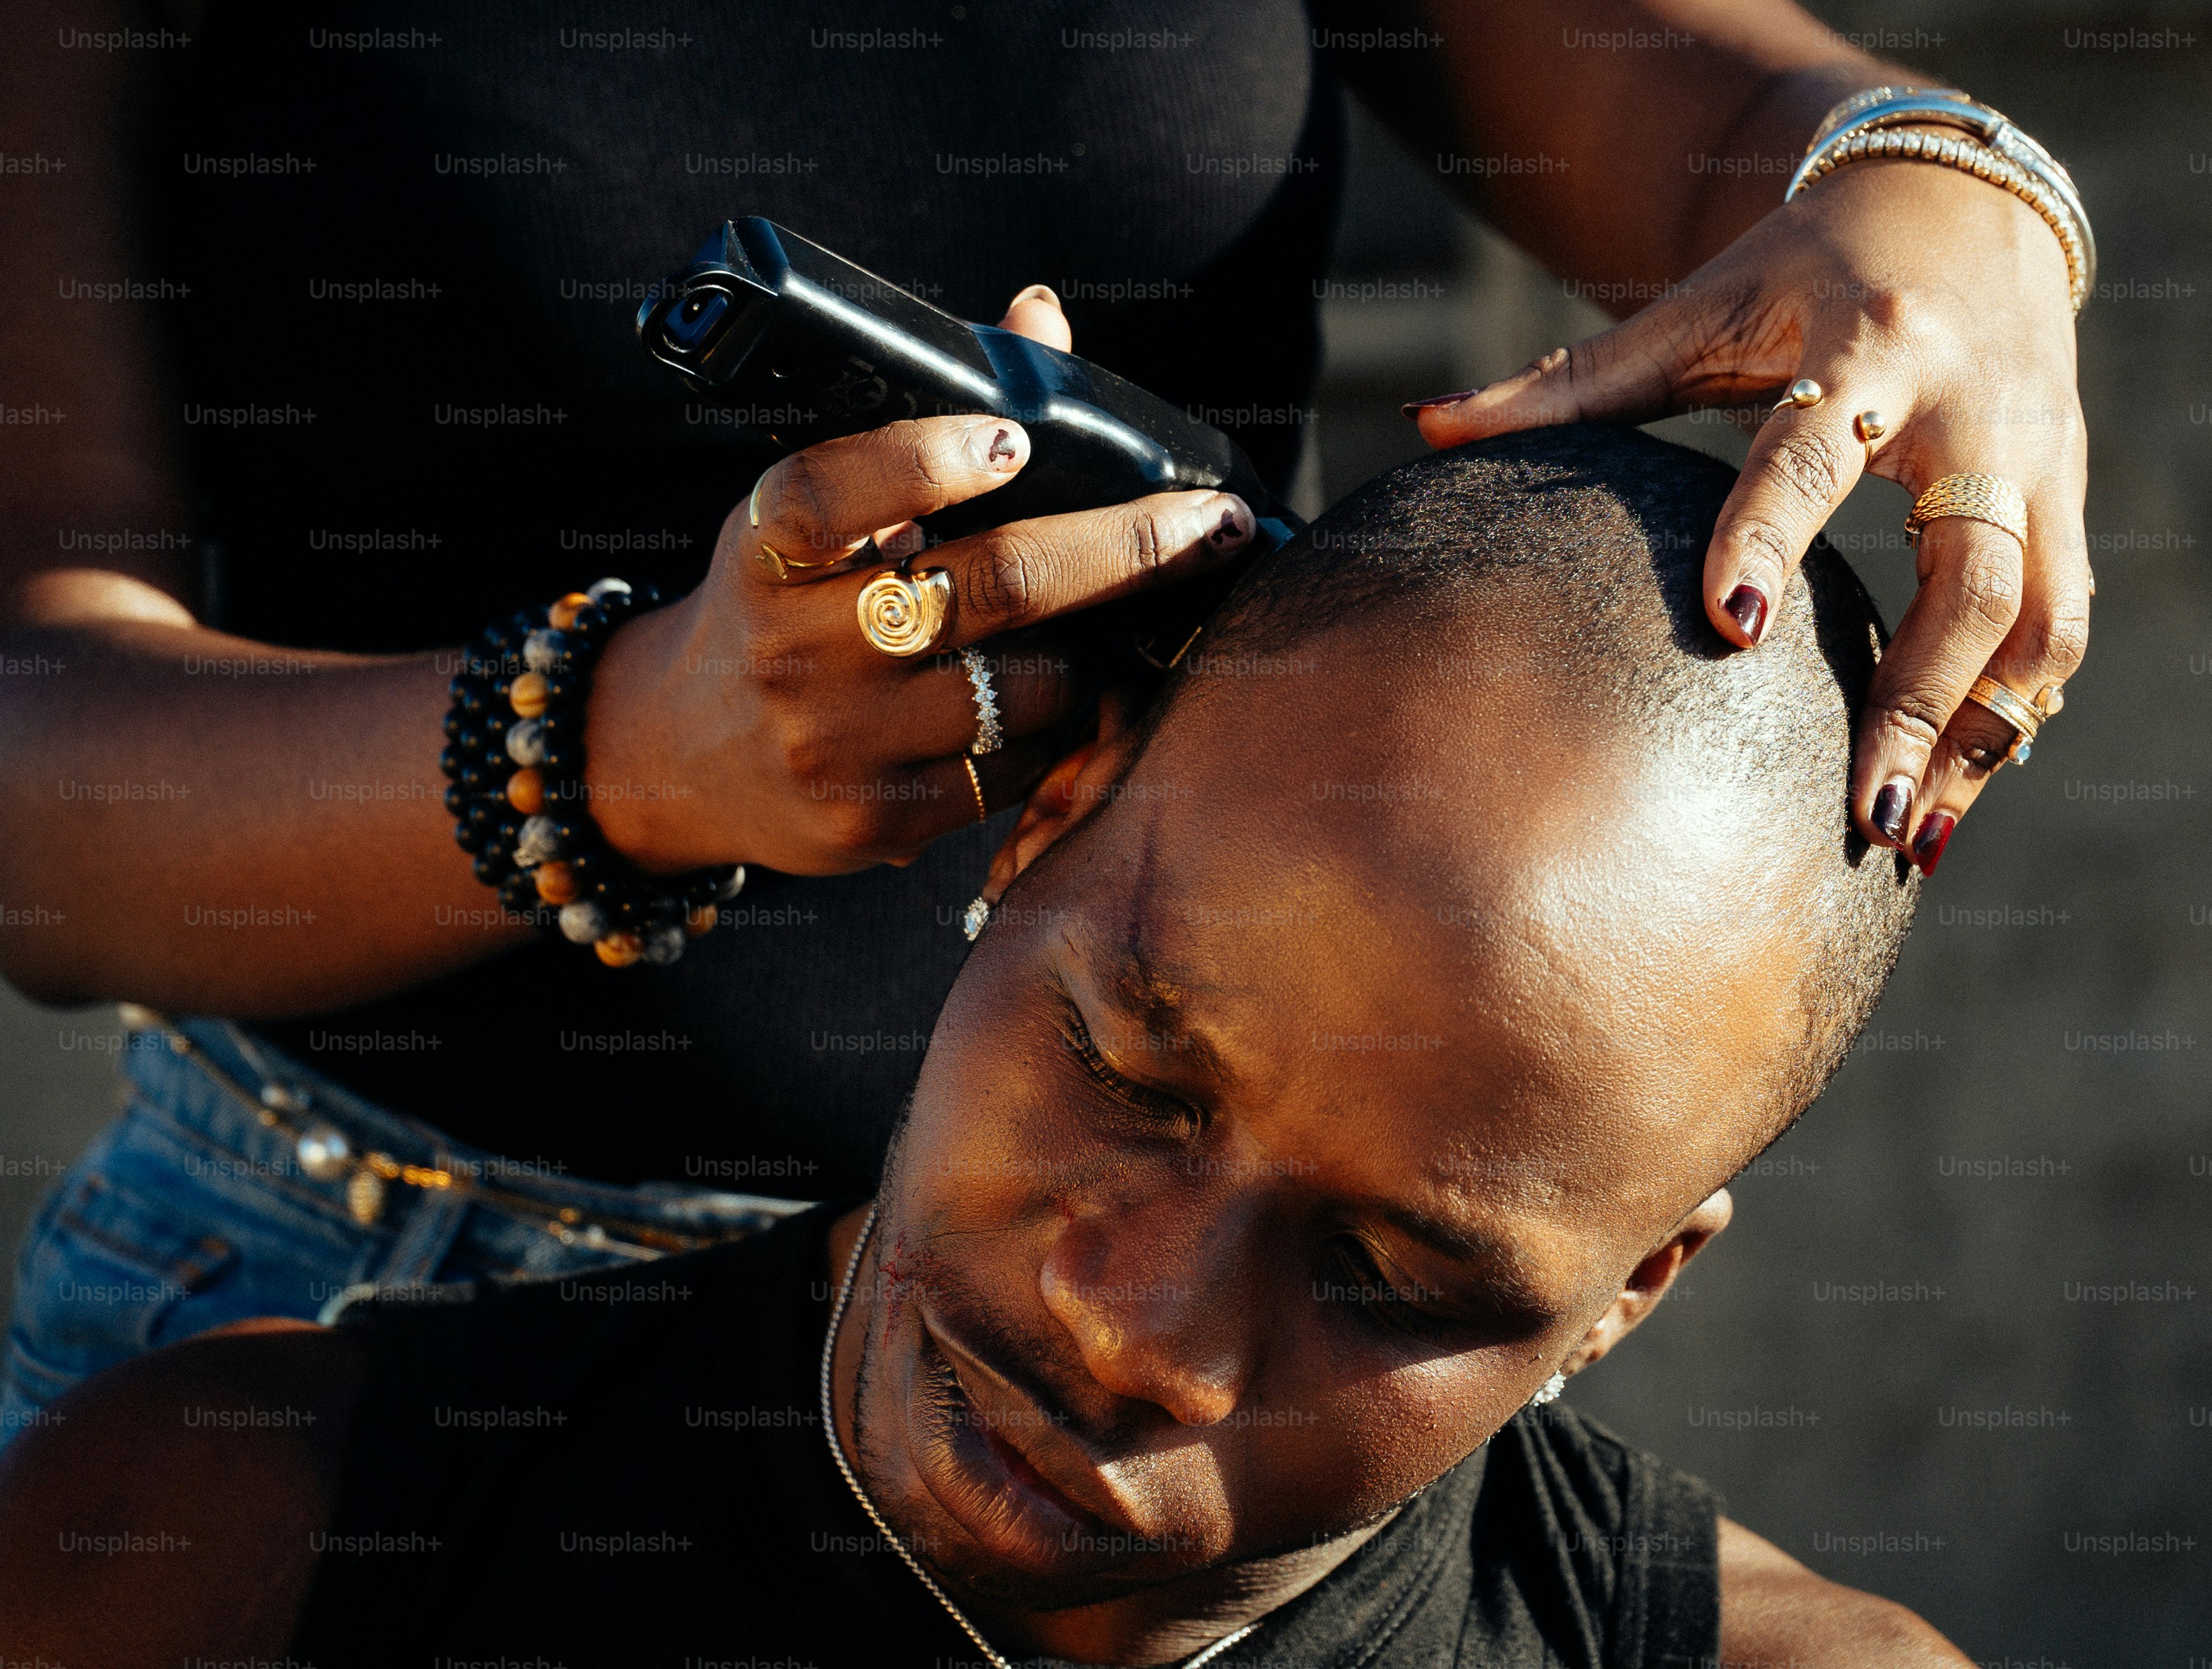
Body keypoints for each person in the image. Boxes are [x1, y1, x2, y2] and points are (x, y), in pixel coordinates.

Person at [0, 1, 2089, 1430]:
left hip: (1189, 1364)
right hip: (341, 1300)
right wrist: (624, 748)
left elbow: (1736, 119)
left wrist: (1947, 193)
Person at [0, 427, 1970, 1666]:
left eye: (1392, 1277)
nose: (1140, 1331)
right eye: (1134, 1079)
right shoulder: (225, 1552)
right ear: (1038, 827)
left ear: (1634, 1291)